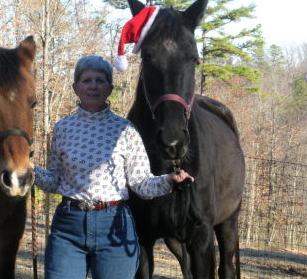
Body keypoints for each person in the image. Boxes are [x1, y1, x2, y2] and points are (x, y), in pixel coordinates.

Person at [32, 55, 194, 279]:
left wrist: (169, 181)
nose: (93, 86)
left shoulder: (126, 130)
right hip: (68, 226)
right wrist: (29, 170)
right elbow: (55, 181)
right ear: (75, 87)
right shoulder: (62, 129)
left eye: (100, 80)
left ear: (110, 88)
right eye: (87, 80)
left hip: (115, 227)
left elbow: (141, 184)